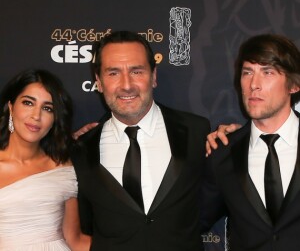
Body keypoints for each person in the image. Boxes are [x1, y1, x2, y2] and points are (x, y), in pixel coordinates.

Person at [71, 30, 211, 251]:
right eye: (113, 73)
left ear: (154, 76)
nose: (127, 85)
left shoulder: (197, 131)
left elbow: (214, 202)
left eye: (136, 71)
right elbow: (86, 224)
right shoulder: (80, 150)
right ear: (98, 82)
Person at [200, 33, 300, 250]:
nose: (254, 84)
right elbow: (193, 221)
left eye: (267, 72)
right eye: (247, 72)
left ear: (294, 85)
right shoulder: (222, 153)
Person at [0, 69, 91, 250]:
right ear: (11, 107)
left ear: (54, 118)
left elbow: (75, 240)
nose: (36, 116)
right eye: (28, 103)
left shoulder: (63, 167)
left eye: (47, 108)